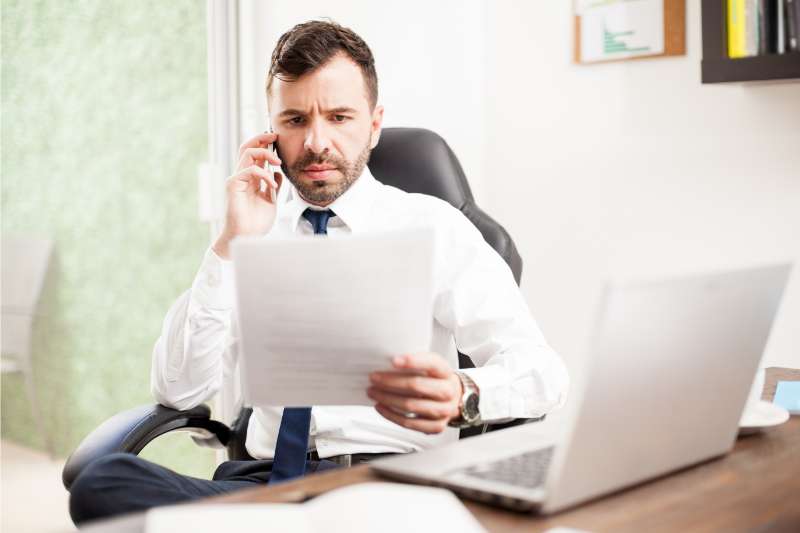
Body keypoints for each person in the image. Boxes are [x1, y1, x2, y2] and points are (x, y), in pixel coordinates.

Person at [68, 19, 569, 525]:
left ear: (373, 124)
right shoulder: (251, 234)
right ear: (271, 132)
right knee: (105, 482)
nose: (315, 142)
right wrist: (229, 243)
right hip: (262, 484)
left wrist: (465, 393)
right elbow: (178, 391)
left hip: (388, 481)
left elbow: (544, 373)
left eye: (338, 117)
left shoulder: (436, 226)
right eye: (295, 119)